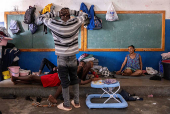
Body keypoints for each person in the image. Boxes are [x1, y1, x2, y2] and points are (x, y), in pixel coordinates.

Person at [38, 7, 88, 110]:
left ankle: (67, 104)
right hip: (73, 57)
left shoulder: (53, 23)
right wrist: (72, 11)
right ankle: (77, 102)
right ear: (70, 15)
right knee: (74, 78)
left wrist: (56, 13)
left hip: (62, 58)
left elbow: (40, 18)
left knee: (64, 81)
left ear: (60, 16)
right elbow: (85, 16)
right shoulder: (75, 22)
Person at [11, 61, 100, 104]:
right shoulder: (72, 72)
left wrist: (91, 79)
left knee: (33, 78)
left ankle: (16, 79)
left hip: (53, 79)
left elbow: (82, 82)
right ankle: (16, 79)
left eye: (80, 67)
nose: (79, 67)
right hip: (53, 77)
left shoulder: (74, 77)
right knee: (33, 79)